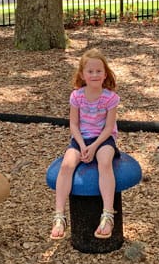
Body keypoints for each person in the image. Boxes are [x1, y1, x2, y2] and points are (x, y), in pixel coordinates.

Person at [50, 48, 121, 241]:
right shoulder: (77, 96)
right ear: (82, 74)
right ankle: (59, 216)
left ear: (105, 73)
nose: (95, 75)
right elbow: (73, 124)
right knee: (66, 165)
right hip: (81, 138)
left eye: (99, 71)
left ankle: (107, 214)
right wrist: (82, 146)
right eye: (90, 71)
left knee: (104, 162)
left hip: (103, 139)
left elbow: (108, 128)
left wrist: (95, 146)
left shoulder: (110, 98)